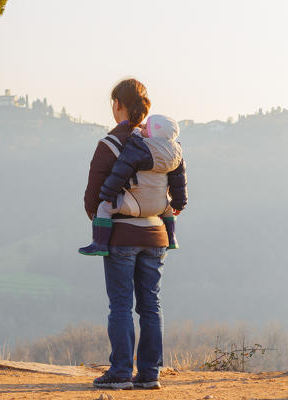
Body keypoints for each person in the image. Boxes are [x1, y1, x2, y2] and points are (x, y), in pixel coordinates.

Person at [83, 78, 188, 390]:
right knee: (151, 305)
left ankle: (119, 372)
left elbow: (93, 196)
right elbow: (176, 187)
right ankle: (150, 373)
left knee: (120, 305)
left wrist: (102, 222)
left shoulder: (111, 144)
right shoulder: (163, 145)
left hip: (122, 235)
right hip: (157, 234)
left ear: (118, 104)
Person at [78, 114, 187, 256]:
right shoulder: (176, 154)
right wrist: (179, 203)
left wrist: (108, 194)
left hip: (135, 205)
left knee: (104, 208)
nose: (142, 127)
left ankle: (99, 244)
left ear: (154, 132)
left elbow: (120, 173)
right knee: (169, 208)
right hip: (160, 206)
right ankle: (171, 238)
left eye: (146, 127)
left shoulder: (138, 149)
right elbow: (179, 181)